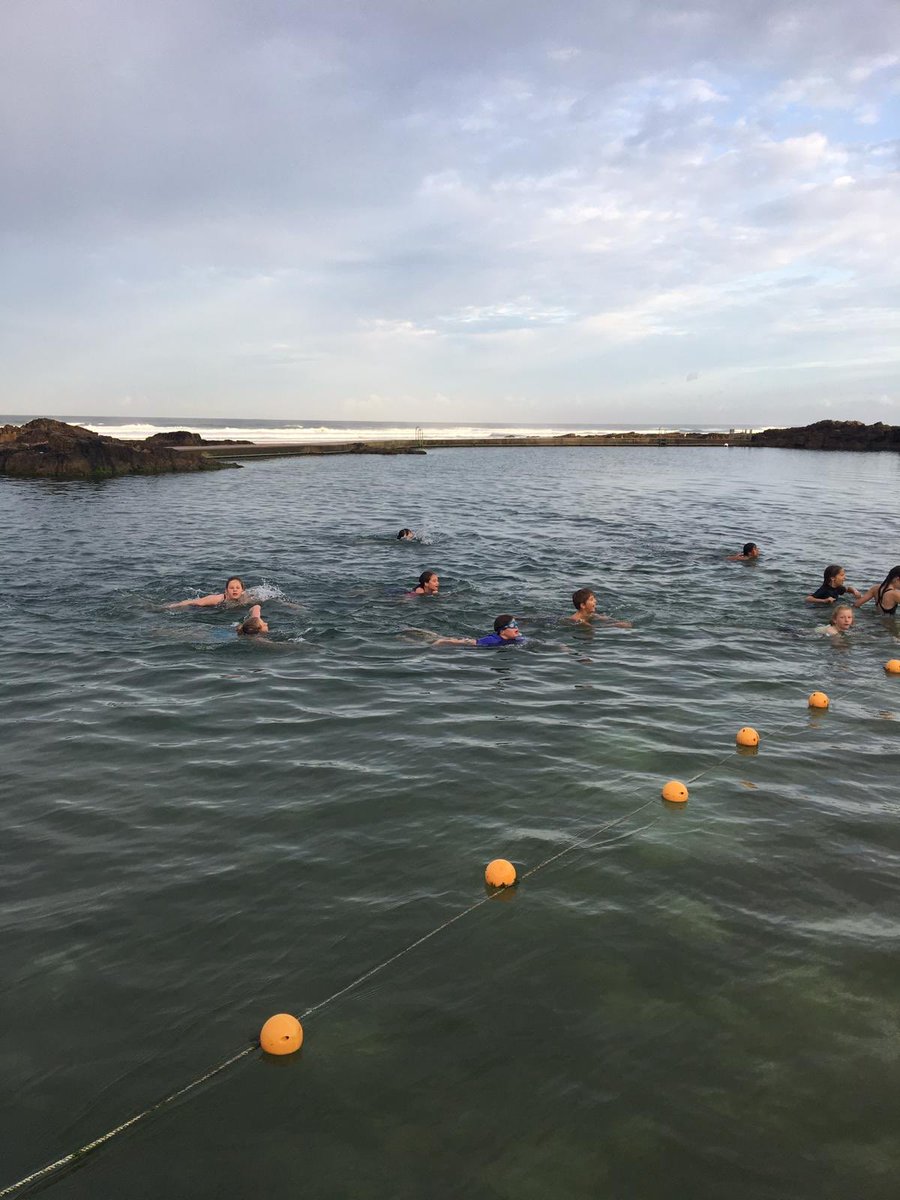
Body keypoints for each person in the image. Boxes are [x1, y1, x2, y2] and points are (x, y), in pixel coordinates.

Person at [433, 615, 526, 647]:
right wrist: (443, 641)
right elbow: (469, 642)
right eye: (512, 626)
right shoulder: (491, 640)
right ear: (502, 631)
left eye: (516, 626)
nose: (516, 629)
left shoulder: (519, 638)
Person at [167, 576, 252, 609]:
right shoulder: (217, 599)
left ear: (242, 591)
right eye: (231, 588)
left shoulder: (246, 598)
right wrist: (174, 606)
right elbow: (194, 602)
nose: (235, 590)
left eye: (237, 588)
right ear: (226, 591)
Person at [567, 587, 631, 628]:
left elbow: (604, 618)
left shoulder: (590, 614)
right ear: (583, 605)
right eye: (591, 599)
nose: (595, 601)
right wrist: (616, 625)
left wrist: (618, 622)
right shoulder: (578, 620)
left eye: (594, 598)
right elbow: (592, 629)